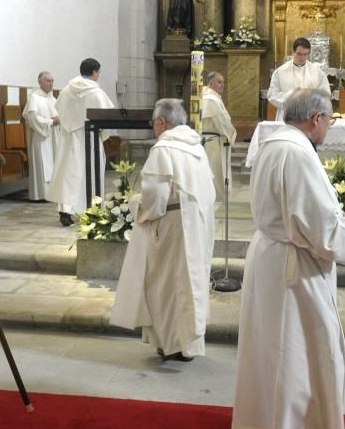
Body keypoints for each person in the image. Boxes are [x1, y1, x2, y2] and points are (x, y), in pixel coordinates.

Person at [231, 89, 345, 429]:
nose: (328, 126)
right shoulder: (297, 153)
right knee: (308, 349)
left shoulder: (271, 145)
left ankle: (267, 428)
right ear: (316, 119)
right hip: (296, 265)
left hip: (271, 256)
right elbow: (321, 225)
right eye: (329, 119)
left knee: (270, 348)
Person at [111, 99, 216, 361]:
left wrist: (137, 206)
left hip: (172, 227)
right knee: (191, 282)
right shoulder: (197, 147)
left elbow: (155, 199)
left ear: (161, 122)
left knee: (167, 285)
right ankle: (189, 344)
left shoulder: (163, 149)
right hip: (198, 223)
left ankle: (173, 344)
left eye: (153, 123)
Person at [47, 58, 116, 226]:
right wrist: (105, 135)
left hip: (69, 138)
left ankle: (65, 212)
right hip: (89, 138)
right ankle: (92, 211)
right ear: (94, 72)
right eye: (98, 73)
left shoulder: (66, 90)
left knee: (68, 175)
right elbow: (108, 117)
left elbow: (59, 111)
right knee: (89, 173)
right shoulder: (96, 93)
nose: (98, 76)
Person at [23, 71, 60, 202]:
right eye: (48, 81)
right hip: (41, 138)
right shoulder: (34, 98)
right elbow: (32, 118)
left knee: (54, 163)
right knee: (43, 166)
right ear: (40, 82)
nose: (51, 83)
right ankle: (41, 195)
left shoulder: (53, 99)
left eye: (52, 81)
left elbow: (59, 116)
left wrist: (58, 119)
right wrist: (51, 122)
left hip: (54, 137)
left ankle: (53, 194)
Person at [201, 71, 236, 202]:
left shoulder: (211, 97)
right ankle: (218, 200)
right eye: (219, 82)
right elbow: (222, 123)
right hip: (214, 142)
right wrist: (232, 136)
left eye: (223, 82)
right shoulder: (211, 99)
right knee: (217, 173)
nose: (223, 85)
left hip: (212, 140)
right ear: (211, 83)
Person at [268, 37, 331, 110]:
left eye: (305, 54)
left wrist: (309, 98)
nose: (302, 58)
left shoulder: (318, 73)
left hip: (309, 114)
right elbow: (272, 95)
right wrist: (292, 96)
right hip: (287, 113)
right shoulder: (279, 72)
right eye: (299, 54)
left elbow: (325, 94)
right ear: (293, 52)